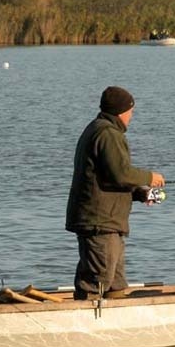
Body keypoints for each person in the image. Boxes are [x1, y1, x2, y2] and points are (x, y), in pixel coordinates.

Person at [65, 86, 165, 300]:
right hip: (100, 222)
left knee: (115, 282)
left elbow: (109, 176)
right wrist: (150, 178)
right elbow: (121, 174)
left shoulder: (98, 129)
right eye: (131, 111)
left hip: (109, 221)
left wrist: (140, 193)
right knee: (96, 280)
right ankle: (86, 317)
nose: (132, 116)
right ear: (121, 111)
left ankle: (118, 316)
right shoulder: (108, 134)